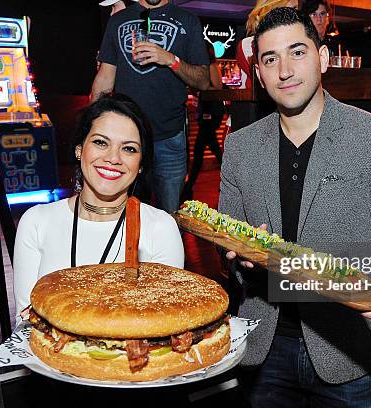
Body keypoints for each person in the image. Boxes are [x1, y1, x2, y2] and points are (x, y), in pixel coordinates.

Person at [219, 8, 371, 407]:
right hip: (265, 346)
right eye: (270, 59)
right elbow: (226, 238)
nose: (285, 70)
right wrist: (239, 256)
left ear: (323, 58)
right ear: (259, 75)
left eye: (297, 52)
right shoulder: (240, 146)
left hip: (349, 351)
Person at [13, 93, 185, 317]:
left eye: (129, 149)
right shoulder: (36, 222)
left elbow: (164, 322)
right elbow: (25, 322)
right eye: (100, 142)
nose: (113, 158)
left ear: (141, 164)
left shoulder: (161, 228)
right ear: (79, 149)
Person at [91, 0, 210, 213]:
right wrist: (90, 127)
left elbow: (202, 80)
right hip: (126, 140)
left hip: (170, 137)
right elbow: (105, 78)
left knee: (169, 216)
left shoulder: (187, 20)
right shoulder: (119, 21)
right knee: (127, 215)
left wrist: (170, 59)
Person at [183, 43, 224, 199]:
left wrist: (202, 88)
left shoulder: (212, 65)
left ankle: (188, 188)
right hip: (206, 111)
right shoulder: (204, 66)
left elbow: (218, 87)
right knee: (208, 147)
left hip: (213, 111)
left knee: (201, 148)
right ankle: (189, 188)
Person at [237, 0, 300, 89]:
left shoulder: (301, 38)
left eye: (296, 8)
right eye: (291, 9)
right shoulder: (249, 44)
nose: (296, 14)